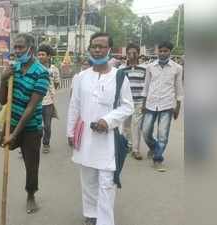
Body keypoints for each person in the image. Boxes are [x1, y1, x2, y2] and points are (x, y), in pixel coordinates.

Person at [67, 32, 133, 225]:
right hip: (85, 138)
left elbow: (127, 106)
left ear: (109, 49)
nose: (97, 50)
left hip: (108, 141)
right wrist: (70, 132)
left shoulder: (119, 77)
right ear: (89, 49)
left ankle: (104, 221)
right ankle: (91, 214)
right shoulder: (81, 77)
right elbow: (75, 105)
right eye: (94, 46)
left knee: (106, 183)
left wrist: (108, 120)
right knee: (88, 180)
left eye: (102, 46)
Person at [0, 33, 50, 214]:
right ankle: (14, 140)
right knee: (5, 145)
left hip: (31, 127)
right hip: (12, 121)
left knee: (31, 164)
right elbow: (2, 101)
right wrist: (3, 79)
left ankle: (31, 195)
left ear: (31, 49)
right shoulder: (14, 68)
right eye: (16, 47)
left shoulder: (42, 73)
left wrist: (14, 134)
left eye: (21, 47)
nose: (17, 51)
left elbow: (31, 108)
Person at [142, 41, 184, 172]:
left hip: (167, 105)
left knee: (163, 135)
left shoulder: (177, 68)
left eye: (165, 51)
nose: (162, 53)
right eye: (160, 51)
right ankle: (155, 148)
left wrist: (178, 107)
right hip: (150, 104)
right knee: (146, 131)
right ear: (157, 51)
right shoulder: (150, 67)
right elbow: (146, 86)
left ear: (170, 52)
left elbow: (179, 89)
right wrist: (143, 104)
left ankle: (158, 159)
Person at [119, 43, 147, 160]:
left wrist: (146, 102)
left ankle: (136, 150)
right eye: (129, 53)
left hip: (139, 101)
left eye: (134, 53)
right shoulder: (121, 69)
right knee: (125, 126)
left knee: (136, 126)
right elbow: (119, 86)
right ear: (126, 54)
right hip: (126, 102)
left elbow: (147, 85)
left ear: (138, 54)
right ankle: (127, 145)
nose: (131, 55)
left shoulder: (145, 68)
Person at [37, 44, 61, 153]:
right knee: (33, 125)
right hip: (35, 102)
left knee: (47, 126)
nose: (40, 56)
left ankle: (46, 144)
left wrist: (50, 93)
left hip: (48, 103)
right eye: (39, 54)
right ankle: (30, 143)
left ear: (49, 56)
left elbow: (56, 83)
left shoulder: (54, 69)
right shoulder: (34, 68)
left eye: (43, 54)